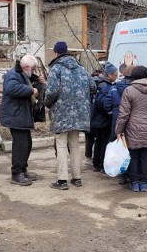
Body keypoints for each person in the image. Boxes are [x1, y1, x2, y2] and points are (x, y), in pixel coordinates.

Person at [44, 41, 95, 190]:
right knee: (74, 145)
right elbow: (93, 86)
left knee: (61, 145)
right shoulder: (81, 68)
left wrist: (47, 103)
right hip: (80, 114)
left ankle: (62, 180)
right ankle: (77, 178)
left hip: (61, 114)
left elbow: (52, 91)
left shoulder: (56, 68)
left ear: (56, 53)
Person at [115, 66, 147, 192]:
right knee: (146, 156)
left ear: (133, 76)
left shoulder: (129, 90)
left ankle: (135, 183)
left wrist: (119, 130)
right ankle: (144, 184)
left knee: (133, 156)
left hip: (133, 129)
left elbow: (123, 114)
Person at [1, 55, 43, 186]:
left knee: (27, 144)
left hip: (21, 115)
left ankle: (23, 170)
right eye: (33, 69)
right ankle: (16, 173)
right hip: (16, 115)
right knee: (20, 146)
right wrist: (31, 90)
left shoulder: (21, 73)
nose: (34, 71)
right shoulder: (12, 74)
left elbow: (25, 80)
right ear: (26, 67)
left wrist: (36, 80)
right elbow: (11, 88)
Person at [105, 65, 135, 185]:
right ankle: (131, 174)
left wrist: (113, 114)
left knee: (119, 147)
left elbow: (107, 103)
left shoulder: (114, 87)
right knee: (131, 147)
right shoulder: (135, 89)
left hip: (117, 120)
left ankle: (121, 174)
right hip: (133, 121)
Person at [90, 63, 118, 173]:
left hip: (98, 119)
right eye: (115, 75)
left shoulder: (100, 84)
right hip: (103, 119)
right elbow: (103, 104)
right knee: (104, 142)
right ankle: (101, 164)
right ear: (109, 75)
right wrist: (111, 113)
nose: (116, 77)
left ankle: (96, 164)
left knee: (98, 141)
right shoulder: (105, 86)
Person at [85, 69, 103, 164]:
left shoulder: (86, 88)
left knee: (89, 138)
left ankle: (88, 157)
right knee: (97, 139)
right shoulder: (100, 88)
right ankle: (93, 158)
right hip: (96, 119)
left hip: (88, 117)